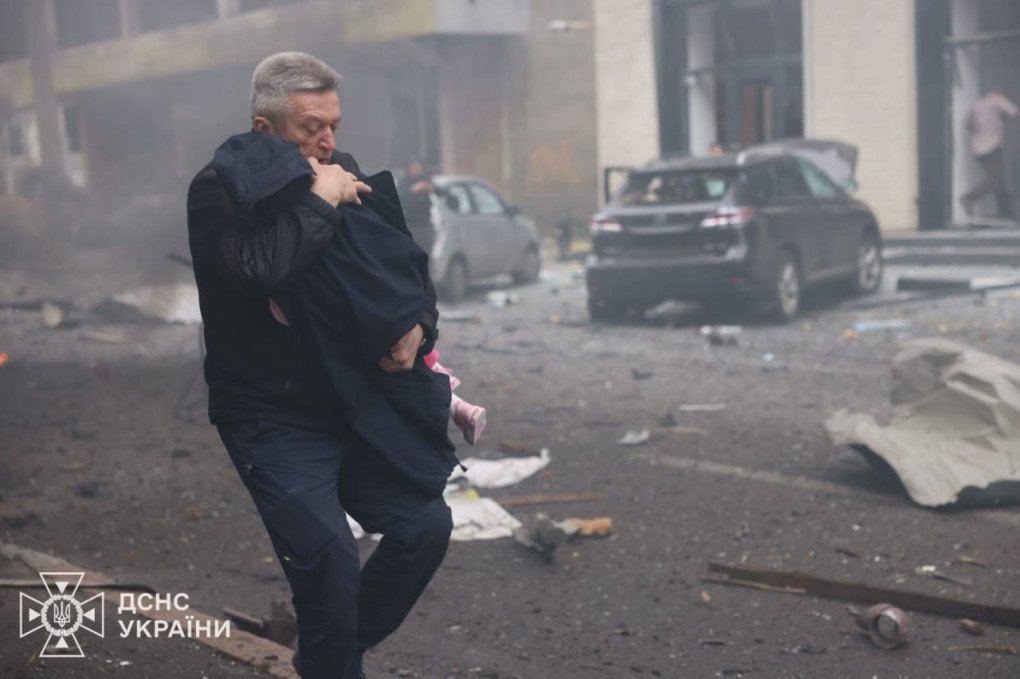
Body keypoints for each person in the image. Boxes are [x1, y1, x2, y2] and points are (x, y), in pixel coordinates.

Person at [187, 52, 455, 679]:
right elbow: (260, 270)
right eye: (310, 127)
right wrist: (320, 200)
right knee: (330, 560)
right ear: (264, 128)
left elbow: (405, 269)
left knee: (425, 526)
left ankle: (331, 654)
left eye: (333, 123)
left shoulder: (343, 170)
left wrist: (418, 329)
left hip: (350, 404)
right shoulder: (217, 189)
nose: (327, 140)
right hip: (269, 416)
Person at [961, 88, 1018, 220]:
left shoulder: (977, 104)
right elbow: (1014, 112)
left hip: (978, 149)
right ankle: (969, 198)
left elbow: (968, 126)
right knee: (995, 179)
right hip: (992, 147)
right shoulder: (997, 100)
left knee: (1000, 180)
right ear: (1000, 93)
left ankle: (1006, 212)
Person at [395, 157, 436, 255]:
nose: (417, 170)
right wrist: (413, 190)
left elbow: (440, 192)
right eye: (414, 168)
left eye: (419, 168)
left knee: (426, 254)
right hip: (410, 225)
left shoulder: (425, 180)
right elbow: (399, 197)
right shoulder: (404, 181)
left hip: (425, 225)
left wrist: (431, 188)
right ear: (409, 168)